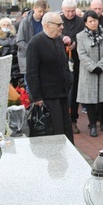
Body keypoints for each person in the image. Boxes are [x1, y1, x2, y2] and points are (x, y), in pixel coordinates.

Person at [25, 12, 74, 144]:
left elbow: (64, 64)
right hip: (48, 98)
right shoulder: (35, 43)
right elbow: (31, 72)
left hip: (62, 94)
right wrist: (37, 97)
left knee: (66, 131)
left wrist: (69, 81)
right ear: (47, 25)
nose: (62, 27)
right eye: (59, 24)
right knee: (54, 133)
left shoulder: (58, 40)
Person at [76, 10, 103, 137]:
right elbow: (81, 54)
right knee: (89, 99)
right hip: (88, 71)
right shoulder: (80, 36)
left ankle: (102, 119)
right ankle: (92, 124)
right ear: (86, 23)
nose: (93, 23)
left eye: (95, 20)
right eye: (90, 21)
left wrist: (101, 65)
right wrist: (92, 67)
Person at [60, 0, 85, 135]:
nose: (70, 14)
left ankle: (73, 119)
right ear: (63, 10)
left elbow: (82, 36)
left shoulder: (80, 22)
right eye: (67, 11)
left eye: (72, 11)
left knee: (74, 89)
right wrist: (63, 38)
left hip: (76, 59)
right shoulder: (58, 20)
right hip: (60, 58)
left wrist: (75, 43)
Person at [16, 0, 47, 75]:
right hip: (27, 58)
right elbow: (19, 40)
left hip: (42, 58)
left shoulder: (45, 21)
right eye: (39, 11)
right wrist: (32, 50)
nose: (42, 14)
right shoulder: (25, 21)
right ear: (34, 8)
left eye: (43, 11)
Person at [0, 17, 21, 87]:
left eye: (8, 25)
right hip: (2, 63)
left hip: (15, 65)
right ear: (0, 26)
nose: (6, 26)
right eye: (4, 25)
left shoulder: (15, 36)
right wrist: (1, 60)